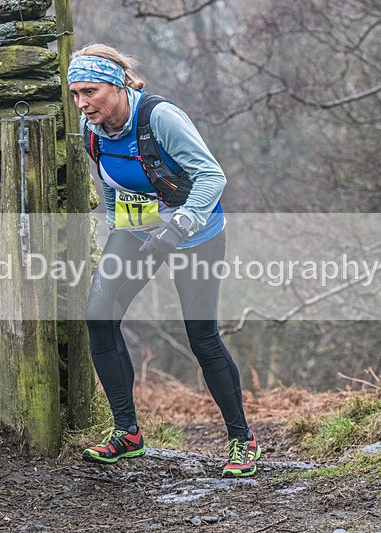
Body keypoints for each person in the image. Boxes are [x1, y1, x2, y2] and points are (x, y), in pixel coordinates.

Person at [67, 44, 260, 477]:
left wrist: (179, 228)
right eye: (75, 94)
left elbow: (212, 176)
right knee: (99, 315)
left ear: (118, 85)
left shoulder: (160, 118)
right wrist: (118, 229)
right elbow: (111, 181)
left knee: (201, 337)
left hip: (196, 233)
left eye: (90, 91)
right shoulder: (90, 128)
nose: (82, 103)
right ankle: (127, 433)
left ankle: (242, 440)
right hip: (139, 228)